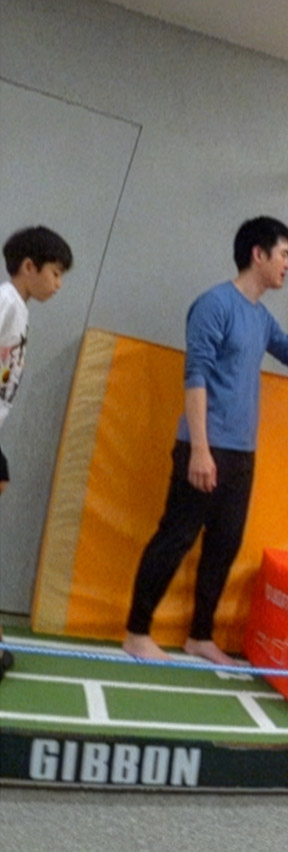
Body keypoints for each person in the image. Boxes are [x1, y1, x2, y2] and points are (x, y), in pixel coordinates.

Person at [123, 216, 288, 666]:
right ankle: (136, 632)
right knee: (176, 536)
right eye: (283, 253)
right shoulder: (213, 305)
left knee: (224, 544)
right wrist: (201, 449)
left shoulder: (261, 318)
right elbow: (196, 375)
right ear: (258, 254)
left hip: (241, 453)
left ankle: (200, 637)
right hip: (205, 446)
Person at [0, 226, 73, 683]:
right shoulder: (7, 301)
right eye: (55, 272)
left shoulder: (18, 309)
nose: (58, 283)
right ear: (29, 267)